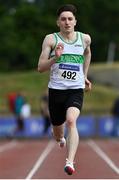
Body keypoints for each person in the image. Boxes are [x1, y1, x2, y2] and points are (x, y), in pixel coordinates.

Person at [37, 4, 92, 175]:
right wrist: (55, 58)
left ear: (75, 21)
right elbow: (40, 67)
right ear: (58, 22)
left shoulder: (84, 39)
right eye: (63, 19)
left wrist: (84, 75)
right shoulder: (51, 40)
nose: (67, 22)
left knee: (71, 121)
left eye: (70, 19)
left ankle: (70, 162)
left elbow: (87, 53)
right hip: (56, 91)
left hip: (75, 89)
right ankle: (61, 139)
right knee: (58, 132)